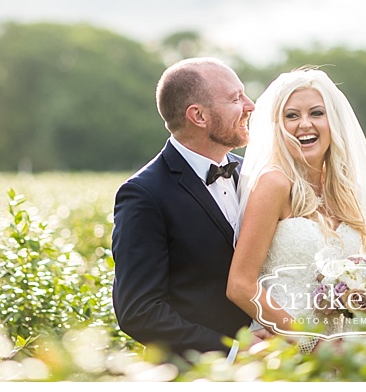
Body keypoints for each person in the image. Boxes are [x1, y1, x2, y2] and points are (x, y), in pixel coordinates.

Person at [226, 67, 366, 353]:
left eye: (316, 113)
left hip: (351, 350)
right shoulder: (274, 183)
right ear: (277, 125)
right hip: (287, 347)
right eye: (292, 115)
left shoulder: (349, 190)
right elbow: (240, 284)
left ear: (333, 121)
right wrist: (311, 343)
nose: (304, 124)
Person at [111, 57, 262, 362]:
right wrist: (231, 351)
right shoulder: (143, 194)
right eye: (236, 98)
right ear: (198, 116)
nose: (250, 105)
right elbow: (139, 311)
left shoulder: (255, 176)